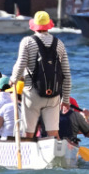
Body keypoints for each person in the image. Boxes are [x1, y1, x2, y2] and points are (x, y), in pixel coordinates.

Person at [11, 11, 71, 139]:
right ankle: (58, 156)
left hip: (32, 93)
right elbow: (66, 73)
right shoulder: (59, 43)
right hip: (54, 95)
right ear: (49, 25)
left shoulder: (27, 41)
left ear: (34, 26)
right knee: (53, 133)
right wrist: (65, 100)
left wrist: (13, 79)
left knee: (28, 132)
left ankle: (28, 155)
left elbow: (21, 64)